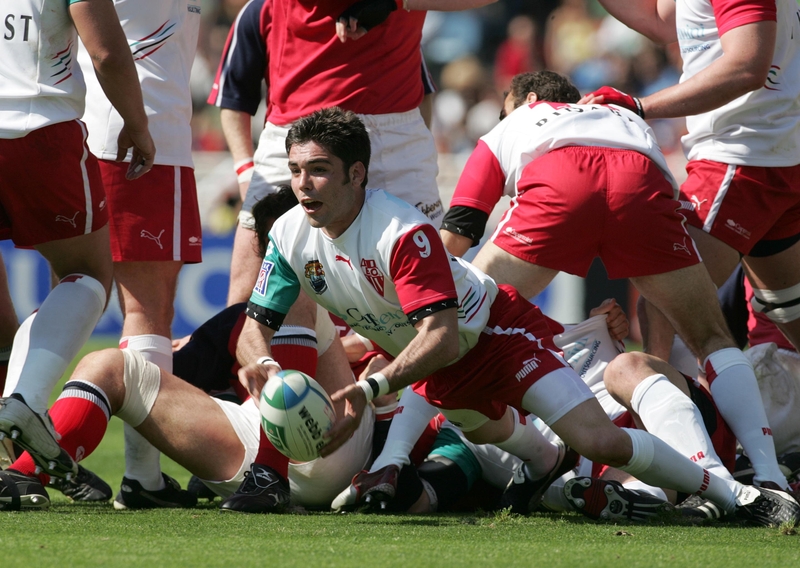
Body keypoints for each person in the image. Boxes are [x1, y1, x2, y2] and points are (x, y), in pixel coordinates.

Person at [236, 106, 799, 526]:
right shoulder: (288, 235)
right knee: (507, 441)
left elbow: (440, 333)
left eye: (319, 171)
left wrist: (371, 386)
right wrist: (259, 361)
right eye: (296, 171)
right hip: (439, 368)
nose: (303, 186)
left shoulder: (401, 232)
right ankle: (550, 470)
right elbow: (252, 325)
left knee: (598, 439)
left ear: (357, 174)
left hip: (496, 336)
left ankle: (737, 496)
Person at [438, 70, 790, 493]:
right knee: (712, 339)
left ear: (526, 99)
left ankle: (413, 455)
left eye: (502, 110)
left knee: (459, 323)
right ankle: (769, 478)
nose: (501, 117)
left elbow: (457, 234)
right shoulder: (621, 118)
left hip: (560, 182)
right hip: (641, 178)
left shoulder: (516, 122)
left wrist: (414, 305)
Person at [581, 0, 800, 490]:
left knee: (665, 303)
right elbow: (668, 24)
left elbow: (746, 64)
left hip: (739, 159)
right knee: (790, 317)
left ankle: (677, 463)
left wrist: (640, 105)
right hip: (767, 156)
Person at [0, 0, 154, 480]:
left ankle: (16, 433)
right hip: (36, 129)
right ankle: (25, 402)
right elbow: (106, 51)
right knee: (86, 273)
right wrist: (138, 123)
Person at [74, 0, 204, 510]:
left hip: (93, 132)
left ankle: (22, 451)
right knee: (147, 308)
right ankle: (142, 478)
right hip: (145, 133)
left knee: (77, 292)